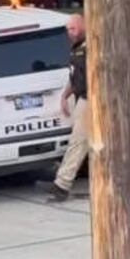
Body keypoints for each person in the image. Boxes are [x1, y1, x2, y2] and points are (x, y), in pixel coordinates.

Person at [40, 14, 88, 202]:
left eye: (73, 28)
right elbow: (75, 75)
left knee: (78, 142)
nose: (70, 33)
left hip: (93, 101)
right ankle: (124, 178)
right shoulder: (77, 48)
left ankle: (62, 184)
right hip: (82, 99)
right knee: (99, 145)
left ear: (84, 25)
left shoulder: (93, 46)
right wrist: (64, 95)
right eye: (67, 29)